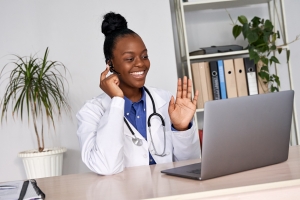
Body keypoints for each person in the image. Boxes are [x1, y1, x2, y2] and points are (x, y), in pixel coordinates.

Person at [76, 12, 200, 175]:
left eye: (144, 56)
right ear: (110, 64)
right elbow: (106, 167)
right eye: (129, 58)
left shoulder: (165, 100)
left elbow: (191, 162)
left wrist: (181, 129)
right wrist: (117, 101)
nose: (141, 63)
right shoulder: (91, 112)